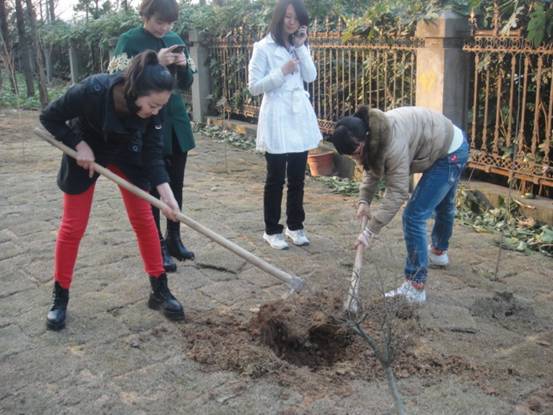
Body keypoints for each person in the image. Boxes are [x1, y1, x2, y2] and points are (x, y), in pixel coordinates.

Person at [40, 51, 186, 331]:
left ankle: (159, 289)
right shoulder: (91, 90)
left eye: (161, 106)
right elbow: (49, 117)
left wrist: (166, 194)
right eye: (152, 105)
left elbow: (153, 153)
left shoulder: (157, 107)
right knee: (73, 226)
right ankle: (60, 297)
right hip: (86, 151)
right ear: (135, 91)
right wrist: (78, 144)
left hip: (127, 152)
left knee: (144, 219)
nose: (156, 111)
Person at [328, 106, 469, 303]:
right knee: (443, 205)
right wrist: (364, 200)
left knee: (413, 215)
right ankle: (438, 252)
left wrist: (370, 230)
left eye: (356, 152)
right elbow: (371, 166)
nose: (355, 158)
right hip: (445, 140)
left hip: (451, 153)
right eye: (350, 156)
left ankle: (415, 286)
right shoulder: (372, 132)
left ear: (364, 139)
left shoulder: (392, 143)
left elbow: (397, 191)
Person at [111, 0, 196, 273]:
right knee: (150, 184)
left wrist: (183, 66)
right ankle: (156, 243)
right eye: (160, 21)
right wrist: (154, 62)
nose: (165, 28)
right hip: (144, 121)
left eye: (170, 23)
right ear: (146, 15)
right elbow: (116, 79)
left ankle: (174, 237)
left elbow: (187, 82)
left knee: (176, 183)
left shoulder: (175, 39)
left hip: (175, 120)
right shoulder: (129, 40)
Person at [248, 0, 322, 250]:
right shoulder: (263, 47)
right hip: (277, 115)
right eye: (288, 17)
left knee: (298, 176)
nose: (292, 22)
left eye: (296, 18)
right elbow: (254, 87)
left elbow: (310, 76)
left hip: (298, 115)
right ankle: (272, 230)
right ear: (279, 17)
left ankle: (295, 225)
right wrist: (281, 71)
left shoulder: (298, 45)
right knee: (276, 177)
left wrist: (301, 48)